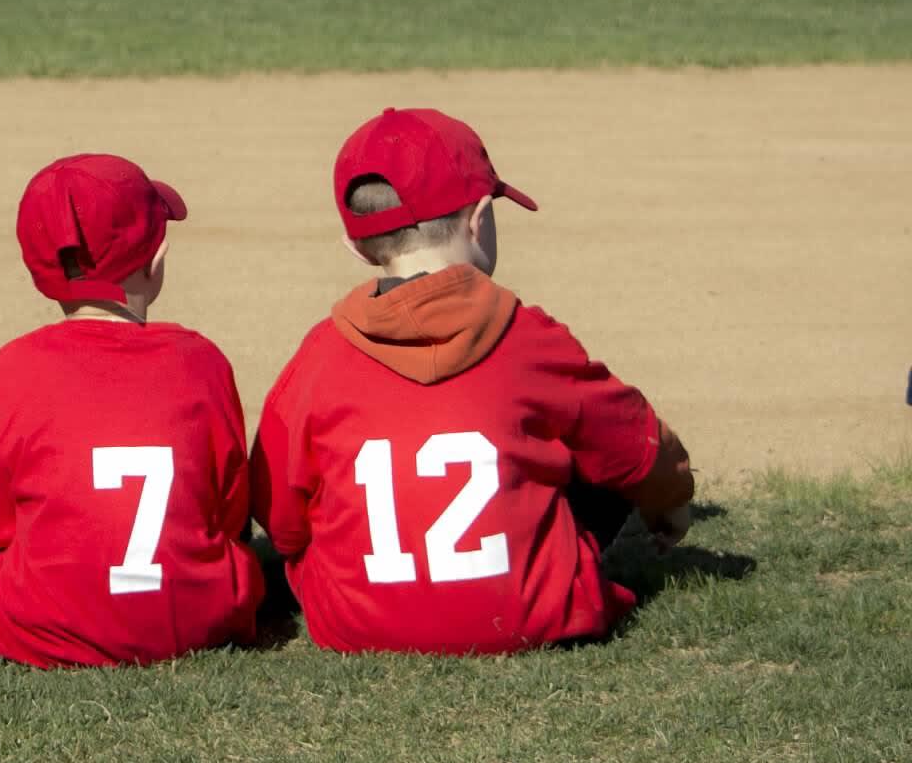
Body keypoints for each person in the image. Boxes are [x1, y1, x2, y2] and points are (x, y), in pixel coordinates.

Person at [250, 108, 693, 655]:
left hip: (356, 626)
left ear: (356, 246)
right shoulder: (530, 338)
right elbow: (639, 444)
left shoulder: (319, 355)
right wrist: (671, 499)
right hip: (533, 618)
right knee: (592, 440)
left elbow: (281, 521)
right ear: (480, 218)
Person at [0, 154, 264, 668]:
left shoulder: (14, 366)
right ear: (156, 260)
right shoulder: (202, 361)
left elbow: (1, 531)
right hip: (199, 615)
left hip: (50, 624)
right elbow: (230, 520)